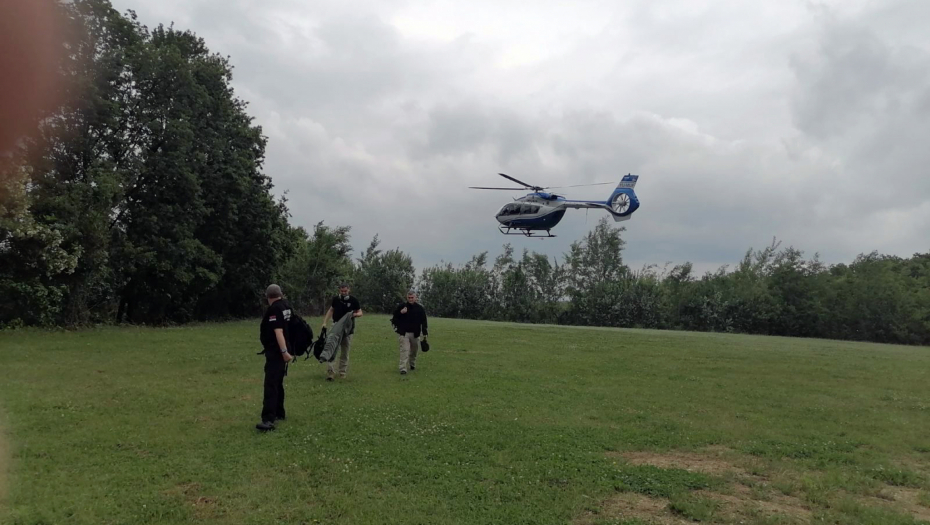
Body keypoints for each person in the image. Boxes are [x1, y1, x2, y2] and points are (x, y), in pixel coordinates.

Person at [256, 284, 294, 431]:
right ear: (281, 294)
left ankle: (268, 419)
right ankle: (279, 412)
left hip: (277, 352)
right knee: (278, 382)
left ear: (267, 296)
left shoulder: (274, 309)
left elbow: (278, 331)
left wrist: (284, 352)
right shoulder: (286, 306)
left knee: (271, 384)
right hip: (283, 350)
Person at [320, 282, 363, 380]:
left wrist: (354, 315)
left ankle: (342, 372)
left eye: (345, 291)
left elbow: (360, 312)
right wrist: (325, 322)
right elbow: (331, 310)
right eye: (342, 291)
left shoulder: (353, 300)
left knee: (345, 351)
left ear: (349, 290)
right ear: (339, 290)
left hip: (348, 329)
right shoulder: (336, 299)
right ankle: (331, 372)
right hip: (335, 327)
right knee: (332, 348)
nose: (343, 293)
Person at [392, 289, 429, 375]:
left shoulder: (420, 309)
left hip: (415, 333)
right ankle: (403, 368)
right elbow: (394, 318)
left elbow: (424, 321)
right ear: (407, 298)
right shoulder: (402, 307)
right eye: (409, 297)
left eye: (412, 297)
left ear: (416, 298)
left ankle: (412, 363)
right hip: (404, 333)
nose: (410, 299)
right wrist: (401, 313)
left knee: (414, 351)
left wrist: (425, 333)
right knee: (404, 350)